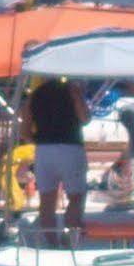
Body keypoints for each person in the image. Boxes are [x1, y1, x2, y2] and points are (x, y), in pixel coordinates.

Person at [23, 75, 90, 241]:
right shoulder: (72, 90)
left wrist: (39, 141)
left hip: (44, 151)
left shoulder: (35, 95)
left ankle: (52, 242)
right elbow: (85, 118)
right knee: (76, 196)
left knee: (47, 200)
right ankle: (71, 234)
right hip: (70, 148)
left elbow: (24, 130)